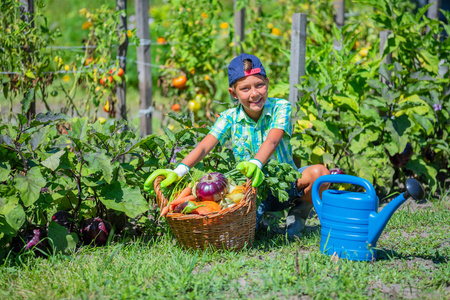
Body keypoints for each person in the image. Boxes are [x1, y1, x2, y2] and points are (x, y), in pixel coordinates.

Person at [144, 53, 330, 239]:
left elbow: (273, 139)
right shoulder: (229, 117)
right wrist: (180, 170)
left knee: (320, 173)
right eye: (245, 89)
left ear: (267, 83)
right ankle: (261, 219)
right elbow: (204, 146)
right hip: (252, 192)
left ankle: (299, 213)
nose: (254, 93)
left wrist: (257, 163)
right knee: (245, 235)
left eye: (259, 85)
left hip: (285, 184)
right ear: (234, 93)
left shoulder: (280, 107)